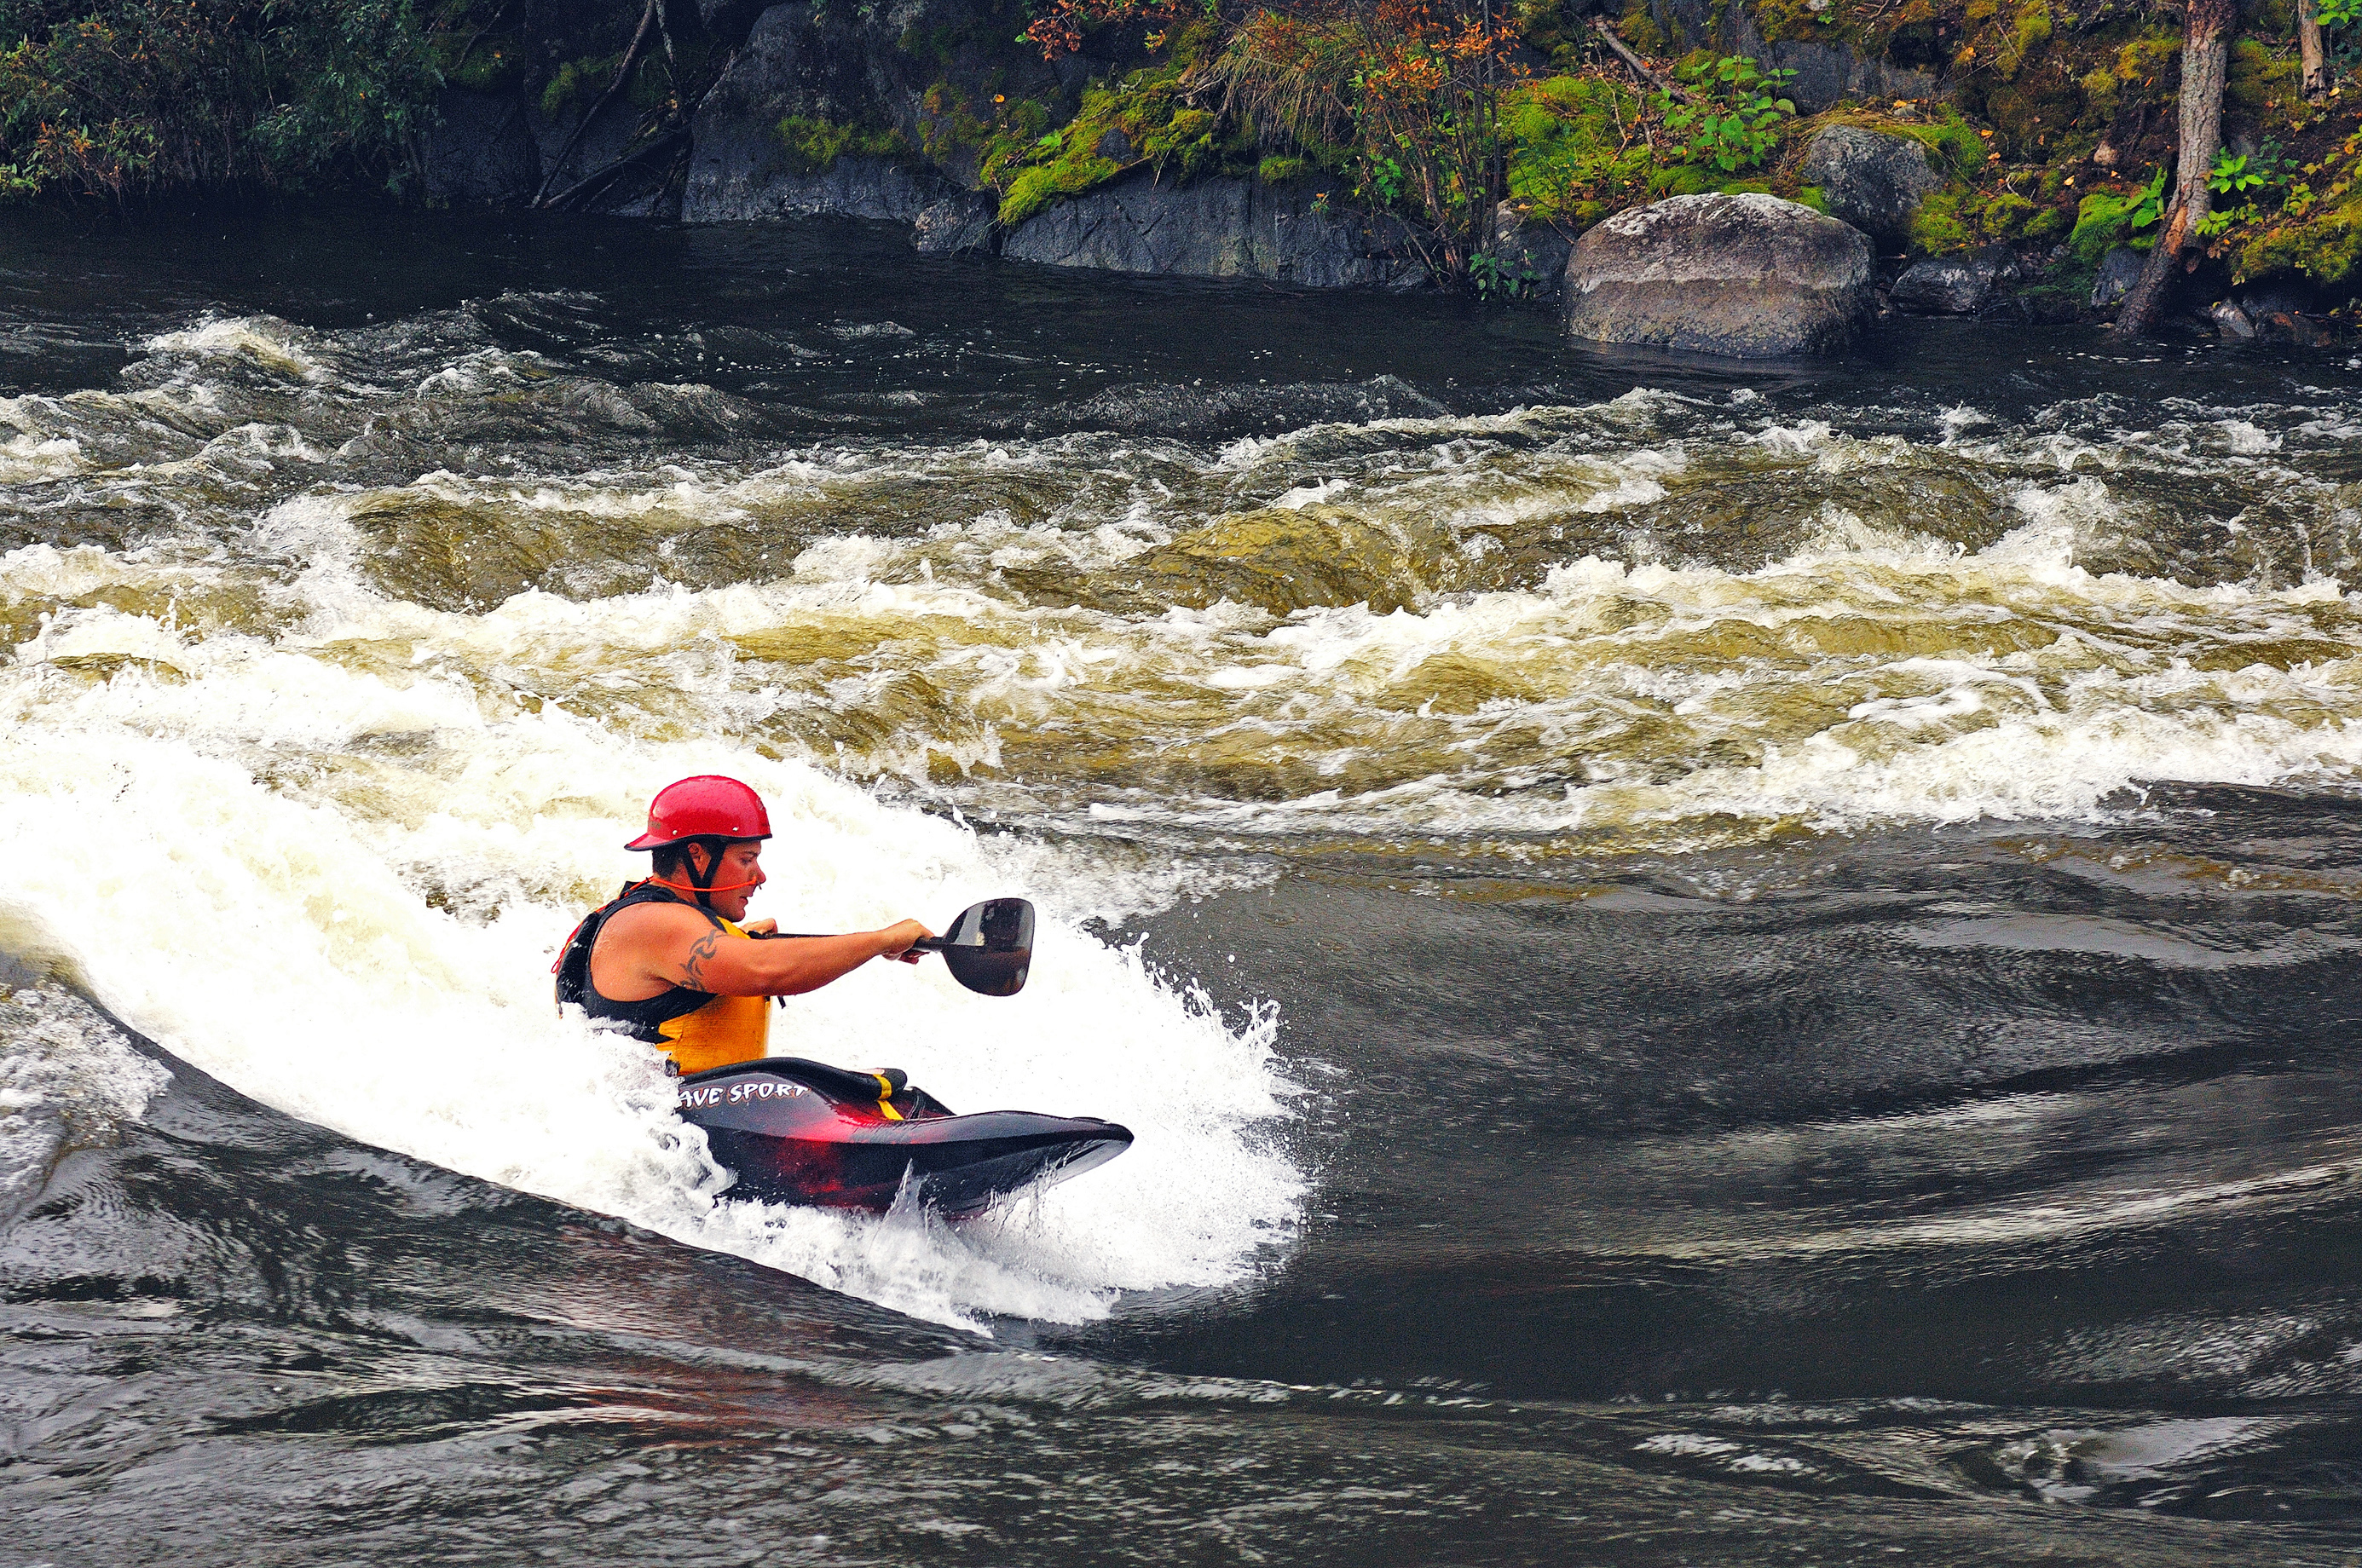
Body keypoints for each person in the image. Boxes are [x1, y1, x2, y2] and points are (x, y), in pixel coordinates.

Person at [554, 775, 933, 1074]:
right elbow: (763, 969)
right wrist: (883, 940)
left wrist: (739, 939)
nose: (760, 876)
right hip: (662, 1140)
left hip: (690, 1136)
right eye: (747, 859)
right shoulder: (651, 922)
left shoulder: (670, 918)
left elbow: (732, 957)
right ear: (697, 855)